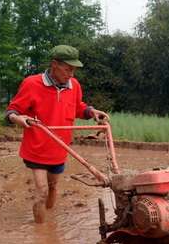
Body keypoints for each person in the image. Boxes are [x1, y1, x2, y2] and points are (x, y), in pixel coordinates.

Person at [6, 45, 109, 223]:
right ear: (54, 64)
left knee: (53, 186)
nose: (71, 74)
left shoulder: (74, 85)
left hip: (60, 148)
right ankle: (41, 232)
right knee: (42, 190)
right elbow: (12, 110)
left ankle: (49, 221)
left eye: (74, 70)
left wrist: (91, 112)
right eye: (68, 69)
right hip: (37, 147)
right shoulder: (32, 83)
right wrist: (18, 118)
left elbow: (78, 108)